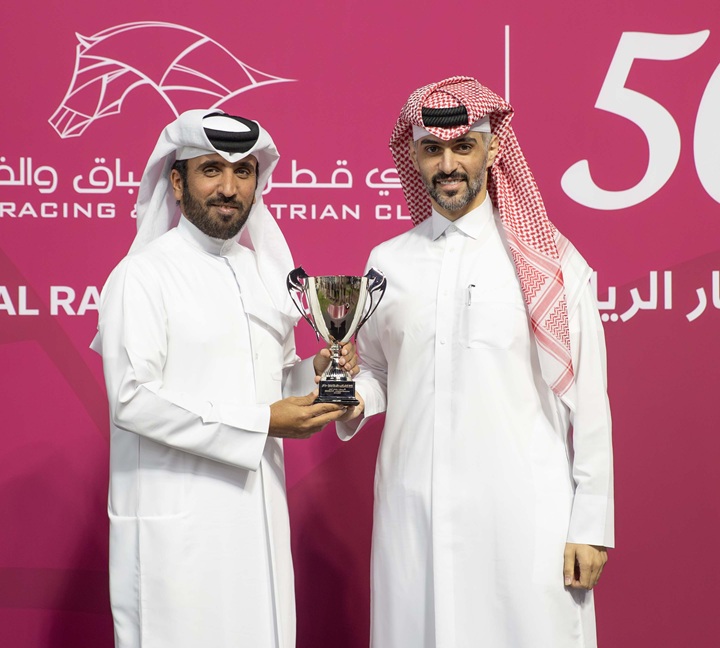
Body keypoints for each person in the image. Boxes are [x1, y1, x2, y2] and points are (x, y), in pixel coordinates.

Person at [338, 77, 614, 647]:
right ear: (413, 155)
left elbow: (588, 398)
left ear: (493, 148)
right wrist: (346, 391)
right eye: (432, 149)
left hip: (521, 516)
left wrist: (591, 523)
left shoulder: (548, 262)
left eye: (463, 146)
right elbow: (380, 373)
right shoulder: (388, 262)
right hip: (414, 513)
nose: (448, 165)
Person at [92, 109, 354, 648]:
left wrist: (317, 370)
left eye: (243, 172)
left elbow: (273, 389)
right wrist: (262, 422)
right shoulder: (142, 275)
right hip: (180, 532)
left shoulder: (264, 275)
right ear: (177, 181)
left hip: (258, 523)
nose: (229, 188)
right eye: (211, 169)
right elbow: (131, 398)